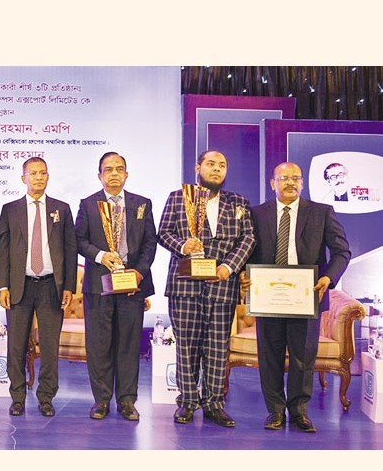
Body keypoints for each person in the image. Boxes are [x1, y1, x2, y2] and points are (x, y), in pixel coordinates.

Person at [241, 162, 350, 432]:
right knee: (270, 355)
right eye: (284, 178)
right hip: (268, 297)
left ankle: (300, 411)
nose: (290, 182)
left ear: (302, 183)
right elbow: (246, 250)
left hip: (306, 296)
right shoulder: (257, 214)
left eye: (295, 178)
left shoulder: (322, 212)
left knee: (303, 357)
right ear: (272, 183)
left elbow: (341, 251)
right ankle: (275, 412)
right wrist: (244, 274)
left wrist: (328, 277)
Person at [157, 150, 255, 427]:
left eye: (222, 165)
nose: (216, 169)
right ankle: (187, 401)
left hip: (222, 284)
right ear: (198, 167)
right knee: (186, 346)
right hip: (185, 284)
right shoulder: (178, 197)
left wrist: (229, 267)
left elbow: (249, 238)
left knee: (217, 347)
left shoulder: (238, 202)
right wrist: (182, 246)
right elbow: (163, 233)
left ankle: (214, 403)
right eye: (211, 164)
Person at [75, 152, 157, 421]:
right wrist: (100, 255)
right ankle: (101, 401)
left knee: (128, 345)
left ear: (126, 174)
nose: (113, 174)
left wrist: (138, 273)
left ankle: (127, 401)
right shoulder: (88, 205)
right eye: (108, 170)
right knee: (99, 346)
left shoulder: (142, 204)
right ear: (99, 175)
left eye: (119, 169)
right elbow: (78, 240)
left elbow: (149, 244)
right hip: (99, 286)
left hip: (131, 287)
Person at [0, 157, 76, 417]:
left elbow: (70, 250)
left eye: (43, 173)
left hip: (51, 286)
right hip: (20, 286)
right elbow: (3, 249)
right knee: (16, 346)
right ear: (23, 178)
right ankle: (17, 395)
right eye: (33, 173)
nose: (38, 177)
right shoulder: (10, 209)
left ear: (48, 177)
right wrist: (3, 286)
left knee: (50, 346)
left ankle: (46, 397)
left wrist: (69, 286)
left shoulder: (61, 209)